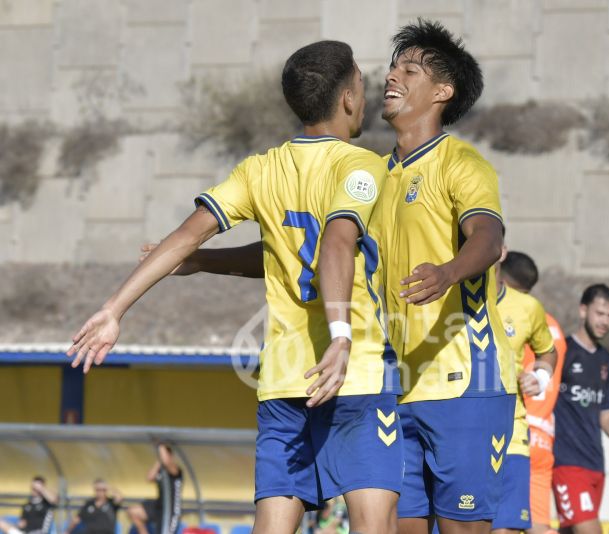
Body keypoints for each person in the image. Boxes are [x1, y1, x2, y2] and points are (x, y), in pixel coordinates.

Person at [68, 40, 402, 534]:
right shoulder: (362, 166)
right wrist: (340, 335)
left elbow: (186, 236)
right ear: (349, 99)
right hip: (354, 373)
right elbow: (334, 243)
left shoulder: (259, 169)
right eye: (361, 82)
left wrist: (115, 307)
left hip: (284, 381)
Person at [368, 19, 527, 533]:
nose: (391, 77)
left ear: (442, 91)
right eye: (392, 68)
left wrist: (449, 271)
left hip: (466, 384)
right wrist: (201, 260)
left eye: (408, 70)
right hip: (396, 386)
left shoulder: (462, 163)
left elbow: (486, 236)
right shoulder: (373, 175)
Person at [551, 284, 609, 534]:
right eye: (600, 313)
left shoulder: (607, 361)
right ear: (583, 310)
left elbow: (606, 413)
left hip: (595, 465)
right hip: (566, 462)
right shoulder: (561, 352)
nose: (605, 322)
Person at [490, 250, 558, 534]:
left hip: (517, 434)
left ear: (500, 252)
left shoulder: (531, 311)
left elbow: (548, 355)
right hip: (458, 433)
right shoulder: (446, 296)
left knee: (508, 528)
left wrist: (540, 377)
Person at [127, 443, 182, 534]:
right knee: (133, 512)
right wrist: (158, 462)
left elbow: (167, 462)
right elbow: (149, 477)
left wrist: (160, 445)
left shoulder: (176, 471)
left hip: (170, 509)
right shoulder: (160, 471)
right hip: (159, 506)